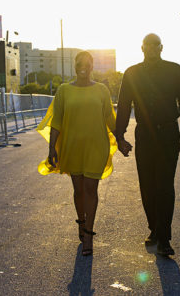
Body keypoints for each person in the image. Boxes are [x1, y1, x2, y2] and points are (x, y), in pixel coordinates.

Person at [115, 33, 180, 256]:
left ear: (161, 48)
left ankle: (165, 238)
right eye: (147, 46)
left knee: (165, 186)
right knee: (147, 186)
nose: (151, 49)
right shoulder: (132, 73)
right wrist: (119, 136)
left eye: (155, 46)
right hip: (145, 135)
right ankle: (154, 229)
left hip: (168, 133)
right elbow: (123, 106)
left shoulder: (175, 70)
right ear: (142, 48)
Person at [36, 51, 117, 256]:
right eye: (79, 63)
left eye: (87, 63)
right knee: (78, 189)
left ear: (92, 67)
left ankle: (88, 233)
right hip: (72, 146)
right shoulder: (64, 90)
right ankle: (81, 222)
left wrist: (122, 140)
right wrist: (52, 148)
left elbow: (109, 117)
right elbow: (57, 121)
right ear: (75, 66)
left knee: (91, 188)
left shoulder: (101, 90)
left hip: (96, 146)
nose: (83, 66)